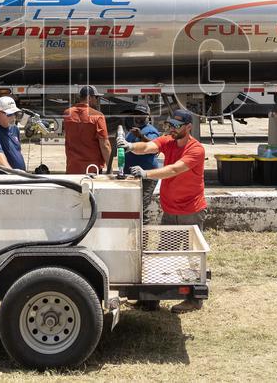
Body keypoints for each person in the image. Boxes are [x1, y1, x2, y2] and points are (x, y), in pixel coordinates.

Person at [118, 108, 207, 314]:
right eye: (170, 124)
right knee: (164, 256)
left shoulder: (196, 149)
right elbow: (149, 146)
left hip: (190, 211)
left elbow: (174, 169)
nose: (171, 129)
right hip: (170, 209)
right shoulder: (169, 140)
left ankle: (194, 300)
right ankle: (151, 301)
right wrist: (130, 146)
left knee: (193, 257)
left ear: (188, 127)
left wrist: (146, 174)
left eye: (176, 126)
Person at [62, 85, 110, 174]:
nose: (97, 100)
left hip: (72, 167)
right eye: (96, 97)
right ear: (89, 98)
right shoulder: (97, 116)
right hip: (92, 169)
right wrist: (110, 168)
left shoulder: (67, 113)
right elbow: (105, 145)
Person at [123, 104, 161, 172]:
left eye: (142, 115)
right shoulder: (134, 130)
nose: (138, 117)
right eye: (136, 114)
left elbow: (155, 146)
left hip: (146, 173)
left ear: (148, 116)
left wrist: (140, 136)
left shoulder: (151, 131)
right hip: (131, 172)